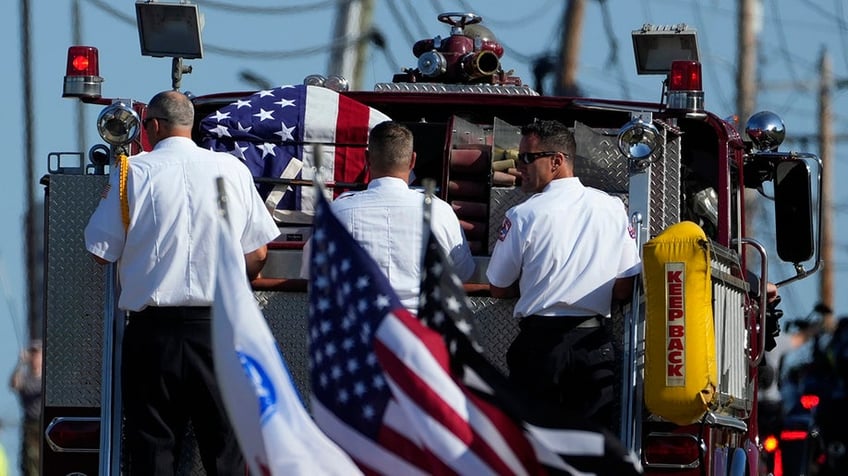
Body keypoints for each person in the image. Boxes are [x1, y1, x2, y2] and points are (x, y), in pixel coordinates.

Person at [84, 90, 280, 475]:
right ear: (190, 124)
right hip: (219, 332)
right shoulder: (232, 170)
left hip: (153, 336)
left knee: (153, 452)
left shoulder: (132, 171)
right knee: (226, 453)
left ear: (154, 126)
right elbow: (258, 253)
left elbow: (100, 250)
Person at [486, 119, 641, 430]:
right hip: (593, 347)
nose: (519, 165)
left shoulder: (523, 214)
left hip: (540, 349)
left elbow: (499, 286)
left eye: (527, 157)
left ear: (556, 161)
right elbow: (625, 286)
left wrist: (536, 284)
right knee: (591, 445)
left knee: (532, 444)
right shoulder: (612, 208)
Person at [302, 121, 475, 311]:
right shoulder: (440, 211)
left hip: (362, 323)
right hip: (422, 326)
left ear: (367, 159)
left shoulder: (336, 213)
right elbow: (463, 273)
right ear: (412, 161)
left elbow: (314, 272)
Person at [9, 340, 42, 476]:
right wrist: (21, 363)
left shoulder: (47, 379)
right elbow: (14, 384)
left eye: (37, 354)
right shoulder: (25, 378)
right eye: (32, 354)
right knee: (30, 459)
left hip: (44, 423)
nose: (34, 358)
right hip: (31, 425)